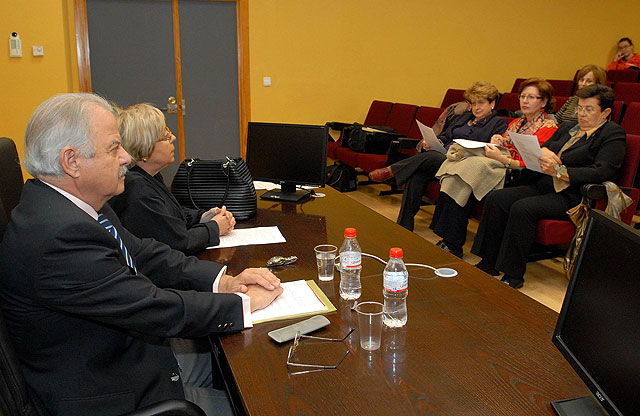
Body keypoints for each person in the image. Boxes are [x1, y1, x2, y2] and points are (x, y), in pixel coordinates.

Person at [0, 93, 283, 415]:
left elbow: (143, 253)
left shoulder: (72, 207)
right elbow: (150, 304)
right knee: (267, 400)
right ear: (72, 161)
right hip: (112, 392)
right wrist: (245, 303)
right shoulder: (58, 236)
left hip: (129, 358)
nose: (126, 158)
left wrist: (225, 282)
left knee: (236, 366)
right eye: (113, 148)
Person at [472, 84, 626, 289]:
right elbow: (545, 147)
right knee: (497, 198)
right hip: (544, 184)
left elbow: (603, 171)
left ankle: (513, 274)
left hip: (573, 194)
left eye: (589, 109)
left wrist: (560, 172)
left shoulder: (612, 134)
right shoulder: (568, 128)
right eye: (580, 108)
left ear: (605, 112)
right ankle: (488, 262)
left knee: (522, 207)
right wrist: (543, 153)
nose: (582, 114)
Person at [430, 78, 558, 258]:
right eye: (522, 96)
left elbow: (534, 163)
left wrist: (502, 156)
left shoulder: (549, 128)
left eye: (531, 97)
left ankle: (453, 241)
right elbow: (505, 147)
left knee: (467, 173)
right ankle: (449, 238)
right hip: (499, 163)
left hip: (518, 172)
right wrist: (497, 141)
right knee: (455, 172)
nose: (525, 101)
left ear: (543, 101)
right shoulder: (516, 123)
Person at [368, 81, 509, 231]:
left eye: (481, 103)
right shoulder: (463, 117)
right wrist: (433, 141)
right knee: (417, 175)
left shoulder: (498, 123)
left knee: (431, 158)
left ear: (492, 103)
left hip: (462, 164)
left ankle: (392, 171)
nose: (476, 107)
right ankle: (404, 226)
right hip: (444, 157)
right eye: (473, 103)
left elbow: (491, 148)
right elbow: (445, 136)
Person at [110, 103, 234, 255]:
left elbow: (171, 215)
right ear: (144, 148)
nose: (173, 138)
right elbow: (178, 242)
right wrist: (214, 228)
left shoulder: (149, 176)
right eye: (165, 137)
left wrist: (204, 216)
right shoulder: (137, 189)